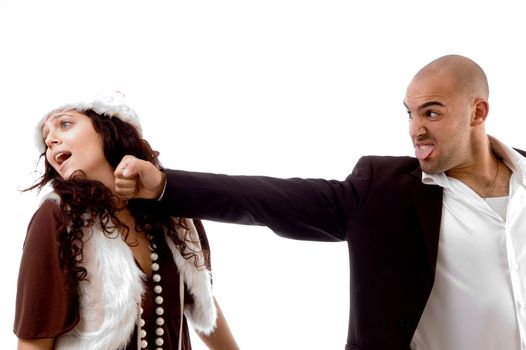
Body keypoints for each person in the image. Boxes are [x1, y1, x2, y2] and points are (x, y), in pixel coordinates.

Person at [114, 54, 526, 350]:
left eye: (431, 114)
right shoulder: (383, 190)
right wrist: (165, 186)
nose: (415, 129)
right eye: (410, 114)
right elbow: (265, 198)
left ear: (478, 112)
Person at [14, 94, 240, 350]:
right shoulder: (56, 216)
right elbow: (34, 340)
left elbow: (201, 301)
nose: (51, 141)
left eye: (64, 124)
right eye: (46, 139)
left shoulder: (172, 208)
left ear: (108, 124)